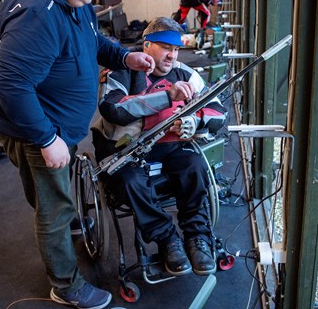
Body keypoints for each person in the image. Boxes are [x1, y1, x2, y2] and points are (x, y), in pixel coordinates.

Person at [0, 0, 155, 309]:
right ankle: (65, 284)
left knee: (56, 197)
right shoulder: (36, 14)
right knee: (53, 206)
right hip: (35, 127)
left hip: (58, 123)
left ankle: (65, 226)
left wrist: (124, 57)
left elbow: (91, 40)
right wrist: (45, 138)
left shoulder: (74, 0)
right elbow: (11, 87)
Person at [92, 16, 227, 277]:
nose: (172, 55)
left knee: (195, 163)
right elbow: (113, 109)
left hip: (171, 147)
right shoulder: (121, 70)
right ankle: (167, 240)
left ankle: (197, 237)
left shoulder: (187, 74)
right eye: (166, 47)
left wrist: (195, 120)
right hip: (125, 149)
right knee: (131, 180)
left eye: (176, 49)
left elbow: (219, 112)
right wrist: (167, 97)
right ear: (147, 45)